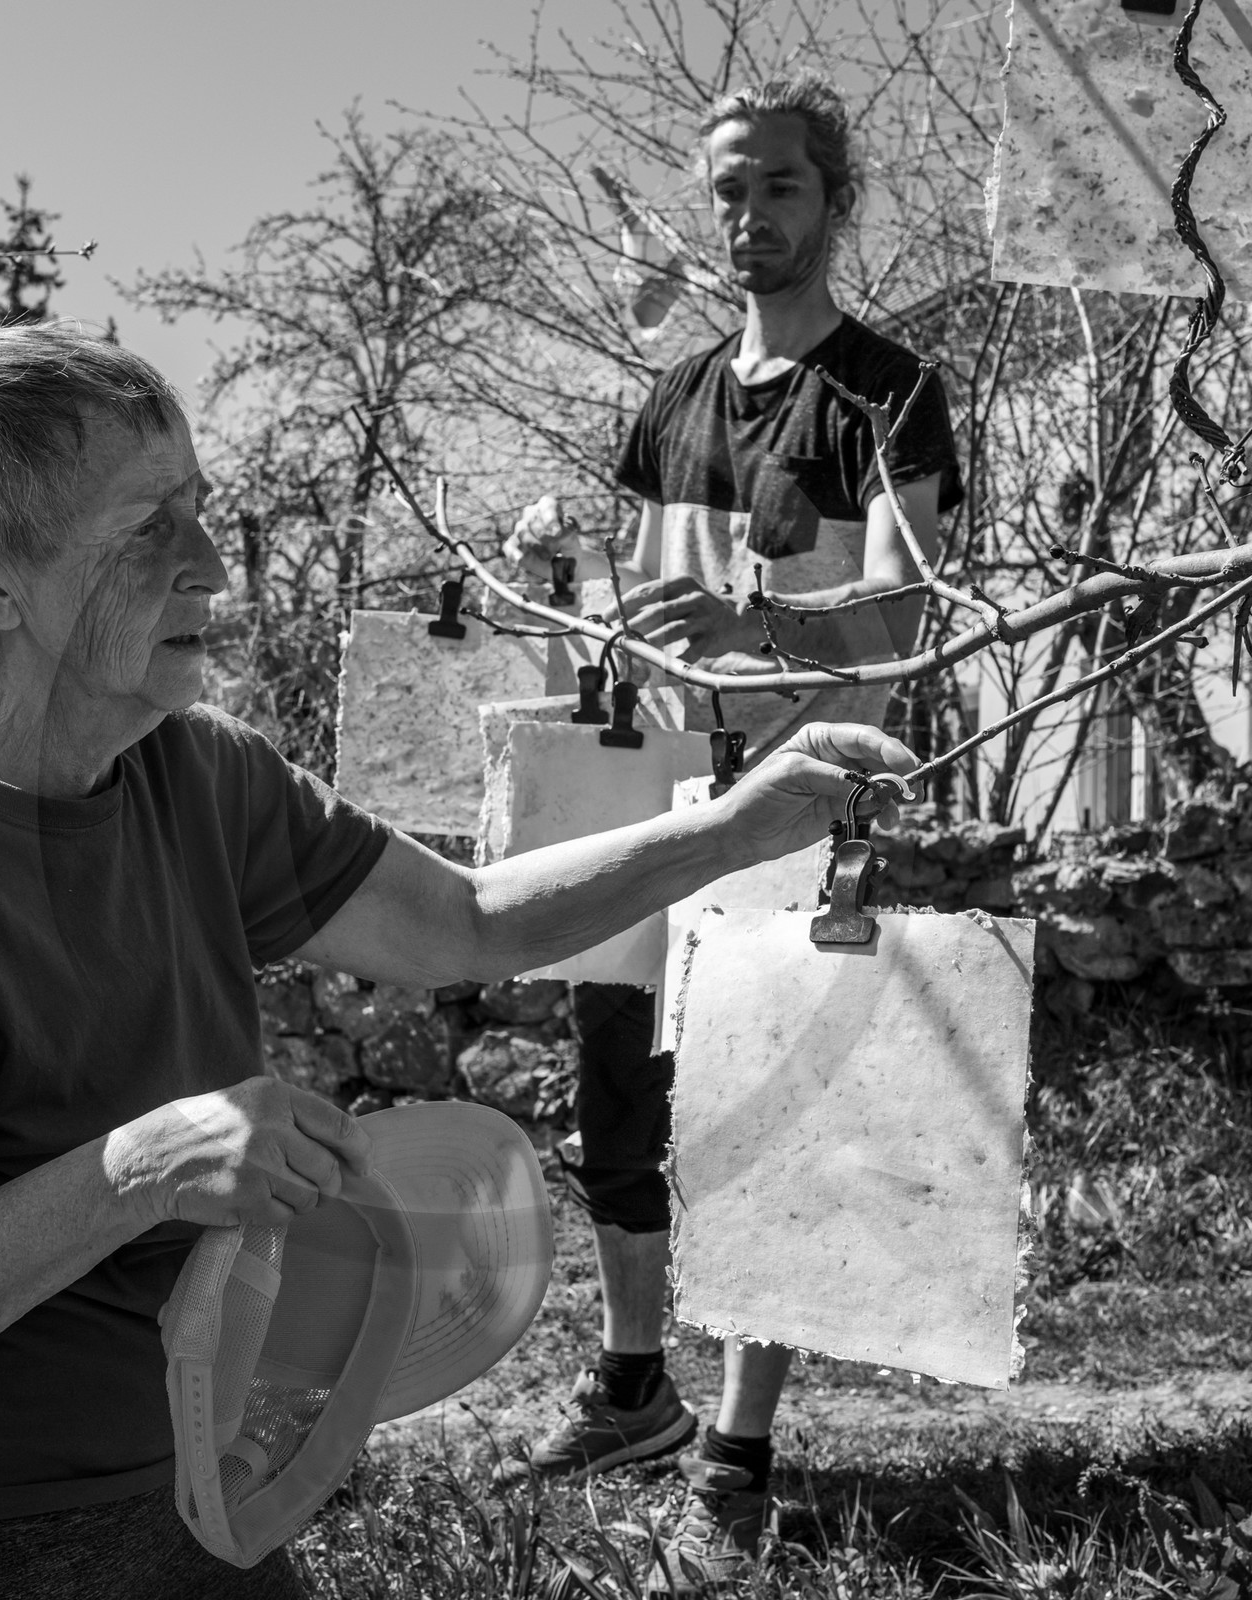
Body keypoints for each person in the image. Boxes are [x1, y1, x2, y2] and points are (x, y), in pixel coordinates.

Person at [0, 321, 918, 1600]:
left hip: (204, 1483)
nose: (208, 568)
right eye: (146, 531)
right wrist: (135, 1170)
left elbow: (466, 921)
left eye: (198, 510)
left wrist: (733, 830)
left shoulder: (203, 771)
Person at [500, 74, 962, 1591]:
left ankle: (738, 1459)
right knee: (619, 1099)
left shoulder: (891, 392)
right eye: (728, 192)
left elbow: (912, 624)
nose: (748, 217)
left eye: (777, 187)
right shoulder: (673, 398)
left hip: (799, 794)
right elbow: (629, 620)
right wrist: (564, 573)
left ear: (834, 202)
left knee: (770, 1130)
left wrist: (755, 612)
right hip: (653, 797)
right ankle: (636, 1388)